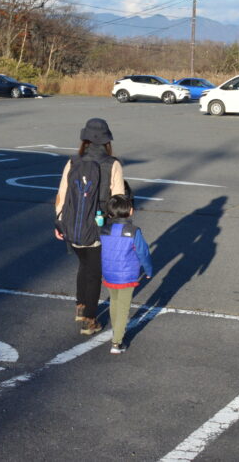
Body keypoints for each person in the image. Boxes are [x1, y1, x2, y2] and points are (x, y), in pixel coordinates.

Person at [55, 118, 125, 335]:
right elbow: (119, 199)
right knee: (94, 272)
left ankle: (81, 306)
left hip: (72, 226)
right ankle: (89, 319)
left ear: (85, 138)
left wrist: (59, 222)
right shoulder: (112, 164)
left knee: (84, 265)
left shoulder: (73, 162)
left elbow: (62, 195)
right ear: (106, 140)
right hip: (98, 227)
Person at [100, 193, 153, 354]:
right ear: (130, 211)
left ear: (109, 213)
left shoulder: (104, 229)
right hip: (127, 276)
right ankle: (117, 342)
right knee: (123, 307)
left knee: (114, 304)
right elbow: (143, 252)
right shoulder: (133, 231)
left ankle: (116, 332)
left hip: (109, 273)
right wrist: (149, 269)